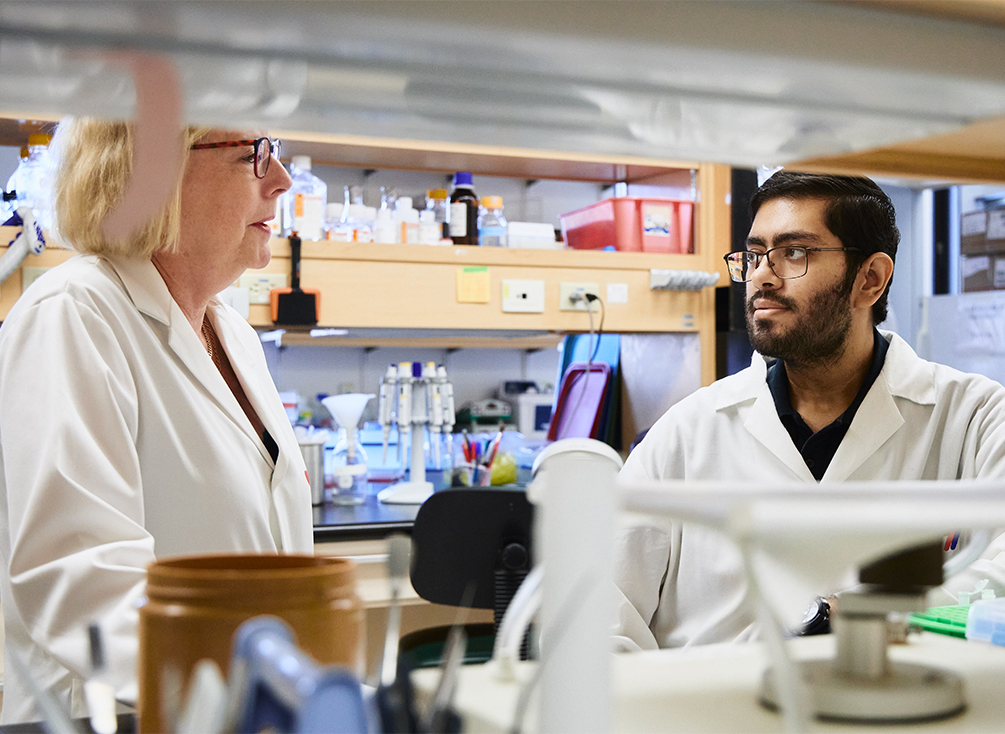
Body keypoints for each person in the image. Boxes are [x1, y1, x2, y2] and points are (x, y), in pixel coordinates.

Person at [0, 118, 313, 722]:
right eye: (254, 154)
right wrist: (241, 694)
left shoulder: (235, 337)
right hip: (118, 713)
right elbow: (83, 580)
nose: (280, 179)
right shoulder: (75, 315)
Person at [613, 171, 1005, 652]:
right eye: (755, 255)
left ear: (871, 279)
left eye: (794, 253)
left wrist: (851, 614)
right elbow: (597, 617)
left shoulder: (976, 417)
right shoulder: (685, 433)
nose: (761, 275)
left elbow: (999, 582)